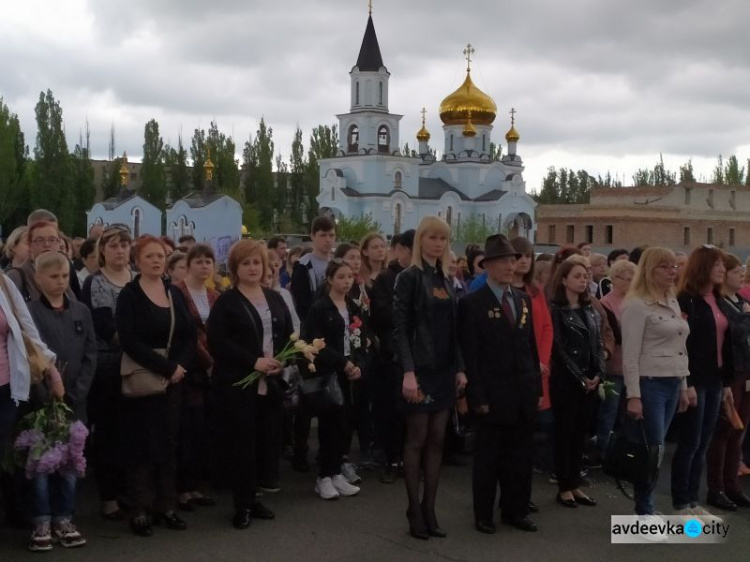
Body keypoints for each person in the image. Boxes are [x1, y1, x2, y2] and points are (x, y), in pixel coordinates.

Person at [459, 235, 541, 535]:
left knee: (520, 457)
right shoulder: (472, 303)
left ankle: (515, 510)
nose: (512, 266)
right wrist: (476, 395)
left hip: (523, 392)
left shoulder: (522, 300)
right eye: (505, 261)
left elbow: (529, 347)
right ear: (489, 265)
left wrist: (537, 389)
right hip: (492, 395)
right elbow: (471, 353)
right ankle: (483, 514)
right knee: (488, 460)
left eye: (514, 260)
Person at [207, 240, 292, 529]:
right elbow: (217, 343)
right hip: (238, 385)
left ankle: (254, 497)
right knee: (242, 445)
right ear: (235, 269)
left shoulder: (275, 298)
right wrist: (252, 362)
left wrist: (282, 360)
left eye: (257, 262)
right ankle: (241, 504)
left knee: (264, 443)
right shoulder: (226, 303)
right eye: (246, 263)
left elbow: (287, 334)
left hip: (270, 383)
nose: (253, 268)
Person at [116, 235, 196, 536]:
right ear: (137, 261)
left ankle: (167, 504)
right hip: (144, 380)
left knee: (169, 443)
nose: (156, 260)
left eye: (160, 255)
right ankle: (139, 508)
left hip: (174, 380)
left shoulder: (173, 292)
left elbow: (188, 335)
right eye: (149, 256)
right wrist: (165, 367)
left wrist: (180, 367)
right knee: (142, 446)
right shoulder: (130, 295)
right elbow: (129, 339)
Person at [393, 216, 467, 540]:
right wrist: (408, 372)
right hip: (419, 371)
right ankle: (413, 508)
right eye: (432, 237)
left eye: (443, 238)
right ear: (421, 240)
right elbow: (400, 328)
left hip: (443, 370)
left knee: (438, 439)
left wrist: (460, 367)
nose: (438, 243)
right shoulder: (409, 277)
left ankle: (429, 508)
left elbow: (455, 330)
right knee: (417, 439)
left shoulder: (446, 279)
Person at [26, 251, 97, 550]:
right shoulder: (28, 313)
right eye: (53, 277)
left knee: (69, 462)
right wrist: (43, 392)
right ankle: (42, 518)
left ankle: (65, 517)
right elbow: (30, 356)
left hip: (74, 401)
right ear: (38, 278)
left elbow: (91, 353)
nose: (59, 282)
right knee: (41, 462)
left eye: (64, 276)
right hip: (41, 402)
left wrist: (76, 391)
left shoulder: (81, 311)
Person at [621, 247, 690, 517]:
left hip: (672, 380)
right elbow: (630, 355)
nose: (672, 271)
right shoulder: (637, 304)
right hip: (650, 383)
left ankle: (646, 507)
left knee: (656, 449)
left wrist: (683, 386)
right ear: (650, 270)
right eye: (665, 267)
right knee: (653, 450)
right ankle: (645, 511)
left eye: (674, 266)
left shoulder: (672, 300)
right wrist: (634, 395)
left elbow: (680, 347)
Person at [0, 265, 63, 546]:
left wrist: (52, 369)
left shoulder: (2, 283)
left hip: (6, 386)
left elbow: (27, 328)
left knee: (3, 452)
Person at [673, 245, 732, 520]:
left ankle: (693, 500)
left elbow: (726, 344)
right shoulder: (687, 300)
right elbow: (684, 345)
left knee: (703, 442)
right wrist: (689, 382)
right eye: (717, 264)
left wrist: (728, 383)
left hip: (716, 380)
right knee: (690, 442)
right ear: (703, 267)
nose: (722, 269)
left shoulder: (718, 300)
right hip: (696, 380)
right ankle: (681, 503)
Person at [81, 224, 134, 521]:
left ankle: (129, 488)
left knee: (132, 431)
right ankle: (109, 496)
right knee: (109, 433)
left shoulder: (138, 279)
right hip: (109, 367)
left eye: (124, 245)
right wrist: (138, 346)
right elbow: (104, 325)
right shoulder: (96, 283)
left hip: (138, 367)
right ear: (102, 250)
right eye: (113, 245)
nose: (119, 250)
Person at [302, 259, 366, 500]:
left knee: (346, 425)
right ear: (329, 279)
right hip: (329, 372)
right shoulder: (320, 308)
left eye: (350, 276)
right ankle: (324, 476)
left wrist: (358, 364)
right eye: (341, 276)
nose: (346, 281)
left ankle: (337, 471)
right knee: (330, 425)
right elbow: (315, 341)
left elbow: (361, 338)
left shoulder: (353, 306)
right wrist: (342, 361)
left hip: (350, 371)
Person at [548, 260, 604, 509]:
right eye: (577, 276)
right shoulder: (557, 310)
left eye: (585, 276)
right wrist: (580, 377)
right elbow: (558, 348)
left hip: (589, 381)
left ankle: (575, 482)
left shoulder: (590, 309)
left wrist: (598, 375)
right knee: (565, 433)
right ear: (564, 280)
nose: (583, 281)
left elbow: (598, 344)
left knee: (581, 434)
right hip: (567, 381)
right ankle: (564, 486)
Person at [173, 245, 220, 511]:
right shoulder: (178, 292)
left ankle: (197, 486)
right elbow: (188, 331)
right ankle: (182, 489)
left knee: (204, 428)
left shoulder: (214, 295)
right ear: (188, 264)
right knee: (186, 429)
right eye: (199, 261)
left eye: (208, 262)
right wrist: (208, 361)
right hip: (189, 366)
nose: (204, 266)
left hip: (211, 369)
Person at [290, 216, 336, 472]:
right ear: (313, 236)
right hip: (309, 337)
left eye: (331, 235)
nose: (328, 240)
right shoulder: (304, 266)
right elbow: (302, 303)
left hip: (331, 336)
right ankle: (300, 449)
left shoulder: (335, 263)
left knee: (330, 394)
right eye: (322, 235)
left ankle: (327, 452)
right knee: (308, 396)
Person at [706, 252, 750, 509]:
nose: (740, 275)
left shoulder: (740, 300)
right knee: (724, 430)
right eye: (735, 272)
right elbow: (734, 332)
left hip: (747, 370)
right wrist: (746, 316)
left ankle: (733, 485)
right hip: (732, 372)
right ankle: (717, 486)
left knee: (739, 429)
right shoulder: (721, 303)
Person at [369, 230, 414, 483]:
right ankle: (391, 459)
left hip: (418, 352)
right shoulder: (387, 278)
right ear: (402, 250)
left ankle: (410, 460)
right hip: (392, 353)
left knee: (413, 411)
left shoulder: (423, 276)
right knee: (392, 409)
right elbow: (382, 315)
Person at [510, 237, 553, 480]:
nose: (524, 261)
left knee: (536, 426)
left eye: (528, 256)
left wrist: (542, 360)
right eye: (519, 256)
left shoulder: (535, 291)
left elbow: (546, 327)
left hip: (537, 369)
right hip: (512, 369)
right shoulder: (499, 289)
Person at [333, 243, 374, 474]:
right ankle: (337, 459)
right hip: (340, 358)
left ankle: (354, 453)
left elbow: (362, 322)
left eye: (358, 258)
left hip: (359, 355)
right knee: (342, 412)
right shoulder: (333, 297)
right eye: (351, 258)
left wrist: (366, 339)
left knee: (359, 405)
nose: (357, 262)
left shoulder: (360, 287)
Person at [596, 259, 637, 457]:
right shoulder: (606, 303)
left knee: (630, 412)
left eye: (632, 278)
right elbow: (612, 333)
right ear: (614, 278)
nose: (628, 282)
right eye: (624, 278)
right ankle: (604, 450)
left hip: (634, 365)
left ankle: (625, 450)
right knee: (610, 409)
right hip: (614, 365)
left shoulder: (637, 300)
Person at [6, 221, 77, 302]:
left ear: (59, 244)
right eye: (40, 240)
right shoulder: (16, 277)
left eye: (52, 240)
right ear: (30, 245)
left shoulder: (62, 274)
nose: (47, 244)